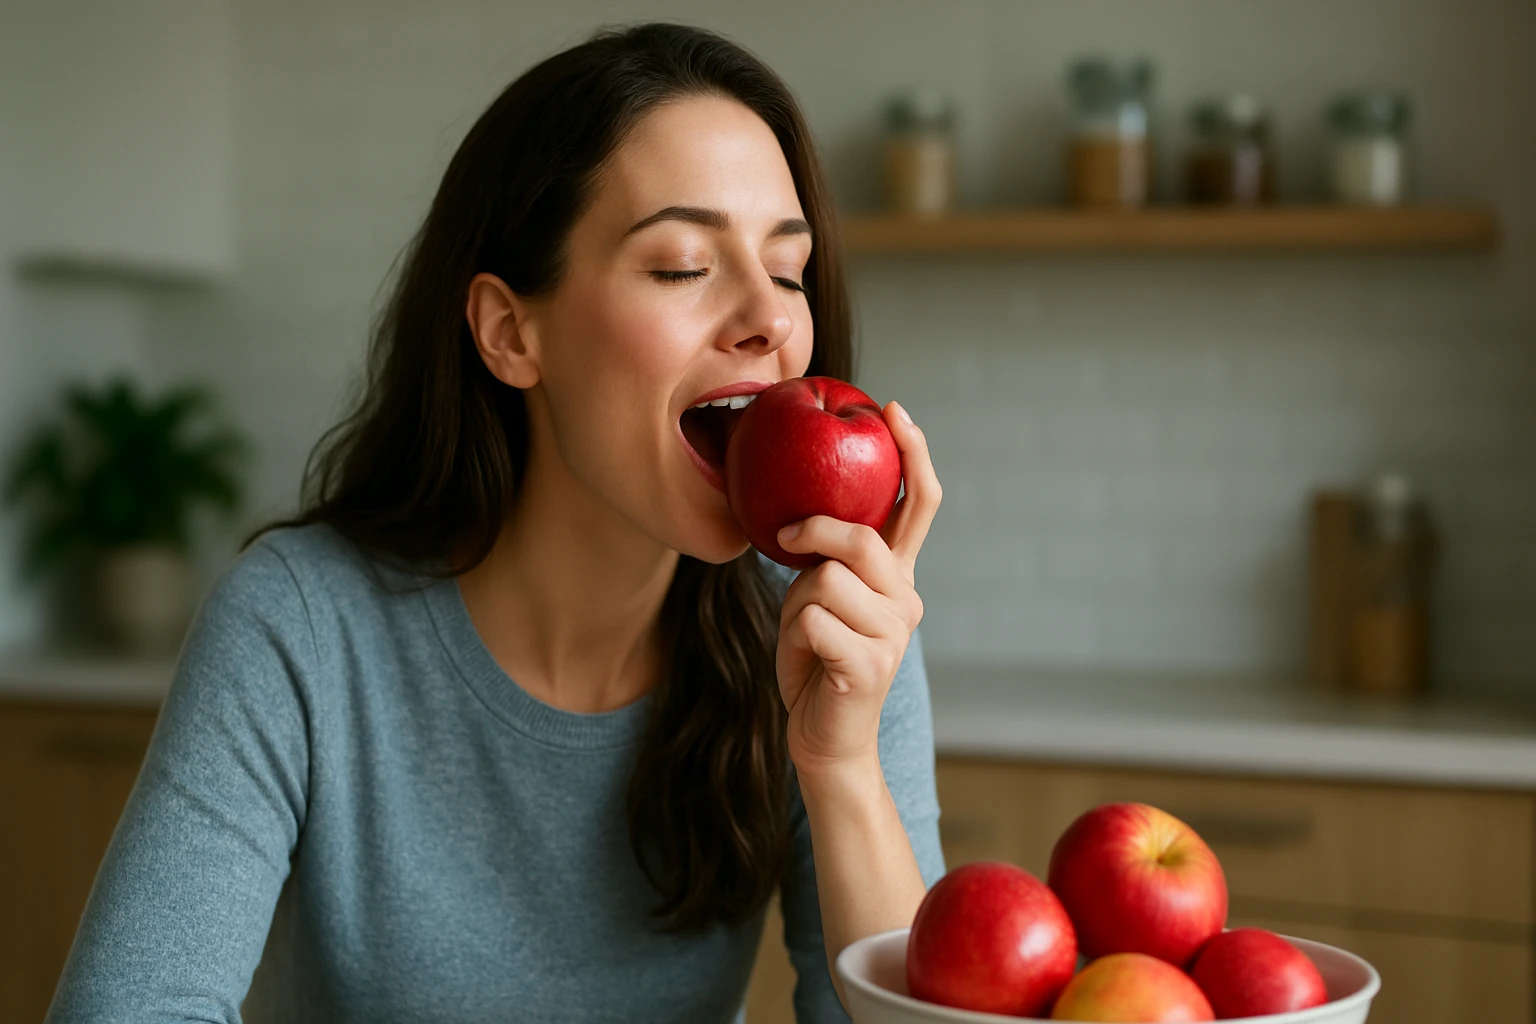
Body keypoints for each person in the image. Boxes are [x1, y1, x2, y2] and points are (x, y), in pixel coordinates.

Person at [46, 22, 945, 1024]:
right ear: (511, 332)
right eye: (684, 264)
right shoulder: (299, 626)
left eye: (788, 270)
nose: (770, 319)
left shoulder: (833, 633)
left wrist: (841, 764)